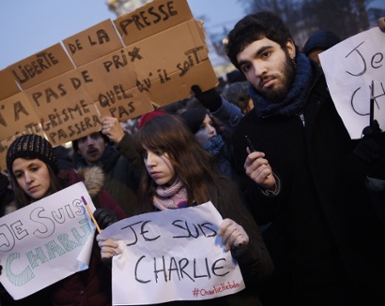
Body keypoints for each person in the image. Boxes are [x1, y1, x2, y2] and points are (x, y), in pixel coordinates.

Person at [215, 11, 385, 305]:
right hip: (317, 281)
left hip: (377, 253)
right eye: (247, 66)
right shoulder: (247, 132)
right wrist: (266, 189)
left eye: (265, 54)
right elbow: (259, 215)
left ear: (289, 48)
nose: (259, 71)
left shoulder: (342, 89)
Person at [97, 114, 274, 305]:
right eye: (145, 155)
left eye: (158, 152)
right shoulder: (144, 210)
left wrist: (243, 248)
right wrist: (116, 260)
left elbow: (265, 268)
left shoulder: (219, 192)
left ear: (180, 150)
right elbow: (145, 288)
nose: (150, 162)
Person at [0, 134, 126, 306]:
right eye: (19, 174)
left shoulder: (89, 197)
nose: (28, 179)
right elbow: (30, 297)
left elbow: (132, 248)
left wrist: (115, 228)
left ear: (49, 166)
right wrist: (1, 278)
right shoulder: (16, 230)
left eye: (34, 168)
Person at [73, 116, 142, 216]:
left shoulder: (125, 162)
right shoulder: (75, 182)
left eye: (95, 136)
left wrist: (123, 139)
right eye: (83, 140)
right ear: (78, 149)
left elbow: (143, 166)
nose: (90, 143)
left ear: (105, 142)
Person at [179, 107, 235, 180]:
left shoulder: (230, 148)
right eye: (202, 127)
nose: (211, 130)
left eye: (211, 124)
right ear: (190, 135)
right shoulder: (193, 171)